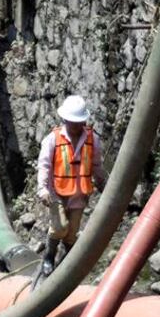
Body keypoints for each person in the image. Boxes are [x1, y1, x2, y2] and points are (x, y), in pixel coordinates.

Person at [36, 95, 108, 276]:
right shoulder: (53, 139)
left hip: (79, 193)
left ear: (84, 120)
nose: (75, 126)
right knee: (60, 227)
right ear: (65, 120)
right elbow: (44, 165)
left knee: (72, 231)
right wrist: (42, 189)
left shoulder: (92, 139)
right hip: (57, 192)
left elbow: (97, 165)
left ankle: (66, 264)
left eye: (78, 122)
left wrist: (103, 184)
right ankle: (49, 256)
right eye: (71, 122)